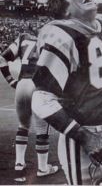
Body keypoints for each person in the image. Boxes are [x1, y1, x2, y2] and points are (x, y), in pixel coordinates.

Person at [31, 0, 102, 185]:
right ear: (65, 11)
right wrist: (84, 137)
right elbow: (41, 99)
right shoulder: (61, 34)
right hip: (83, 138)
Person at [0, 32, 58, 182]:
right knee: (42, 129)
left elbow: (2, 58)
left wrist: (11, 81)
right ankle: (43, 168)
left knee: (23, 126)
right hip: (38, 85)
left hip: (22, 84)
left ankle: (19, 166)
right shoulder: (51, 37)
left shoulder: (23, 37)